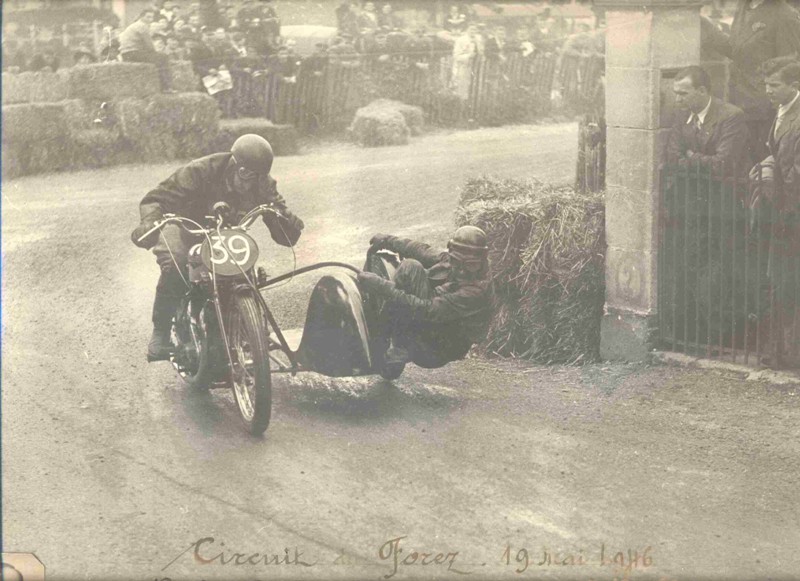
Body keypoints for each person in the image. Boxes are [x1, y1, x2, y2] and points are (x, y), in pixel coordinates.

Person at [130, 134, 305, 361]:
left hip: (224, 234)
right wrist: (151, 222)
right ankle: (161, 332)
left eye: (256, 177)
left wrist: (286, 221)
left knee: (243, 268)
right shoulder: (201, 171)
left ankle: (248, 325)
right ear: (234, 163)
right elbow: (156, 199)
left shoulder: (262, 183)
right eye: (244, 174)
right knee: (176, 262)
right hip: (185, 227)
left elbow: (282, 226)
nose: (248, 182)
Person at [357, 226, 493, 368]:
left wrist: (380, 286)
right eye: (456, 262)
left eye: (471, 265)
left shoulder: (476, 292)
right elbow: (421, 250)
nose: (462, 270)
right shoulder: (449, 260)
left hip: (436, 350)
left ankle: (398, 342)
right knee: (412, 266)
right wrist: (388, 240)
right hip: (432, 326)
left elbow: (425, 309)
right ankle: (386, 334)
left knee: (409, 267)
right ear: (451, 253)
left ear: (482, 261)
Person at [702, 0, 800, 164]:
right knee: (738, 167)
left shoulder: (785, 14)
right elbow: (736, 49)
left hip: (764, 109)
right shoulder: (744, 6)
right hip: (736, 102)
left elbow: (789, 67)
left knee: (761, 166)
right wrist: (706, 26)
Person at [667, 65, 749, 174]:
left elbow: (722, 165)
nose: (678, 100)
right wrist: (703, 160)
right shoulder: (682, 113)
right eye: (676, 94)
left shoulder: (731, 116)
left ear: (702, 91)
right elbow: (672, 159)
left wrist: (691, 156)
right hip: (690, 185)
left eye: (683, 94)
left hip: (724, 187)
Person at [120, 9, 174, 92]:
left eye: (151, 17)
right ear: (141, 16)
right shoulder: (142, 26)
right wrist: (157, 52)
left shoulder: (134, 25)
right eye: (147, 17)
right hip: (133, 53)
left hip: (127, 53)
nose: (150, 19)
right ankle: (166, 87)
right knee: (163, 57)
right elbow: (149, 45)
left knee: (157, 57)